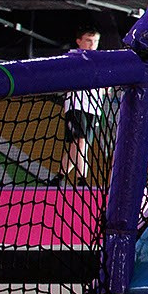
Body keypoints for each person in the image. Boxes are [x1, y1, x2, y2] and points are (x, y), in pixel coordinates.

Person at [60, 27, 106, 184]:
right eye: (88, 40)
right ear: (79, 41)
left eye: (95, 42)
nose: (92, 45)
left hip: (94, 109)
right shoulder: (72, 57)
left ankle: (58, 177)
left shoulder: (101, 60)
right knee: (80, 141)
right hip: (76, 105)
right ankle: (81, 179)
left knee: (80, 146)